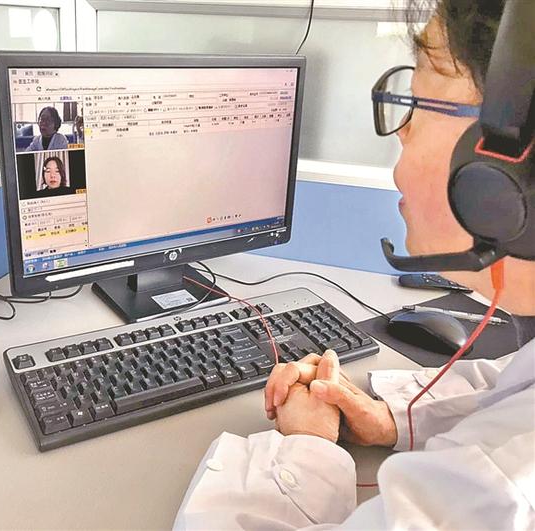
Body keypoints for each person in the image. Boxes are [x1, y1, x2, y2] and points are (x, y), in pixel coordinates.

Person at [174, 1, 535, 529]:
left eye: (418, 104)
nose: (401, 132)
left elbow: (499, 461)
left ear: (510, 167)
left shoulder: (499, 490)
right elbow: (511, 388)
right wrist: (390, 418)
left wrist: (307, 446)